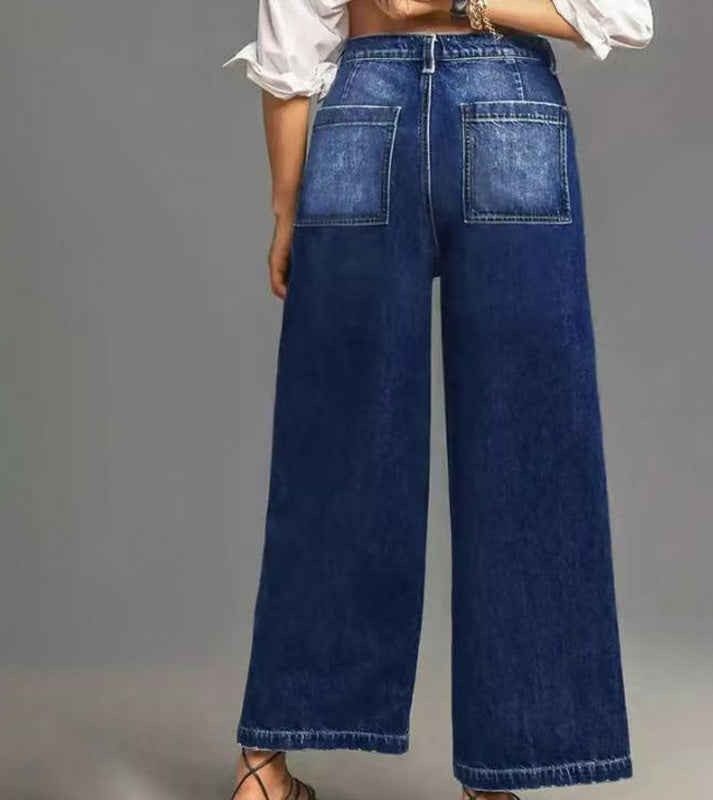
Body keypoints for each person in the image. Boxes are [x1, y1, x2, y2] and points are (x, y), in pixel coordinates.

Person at [223, 1, 653, 798]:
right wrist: (469, 7)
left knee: (333, 444)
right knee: (526, 441)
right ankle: (498, 775)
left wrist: (286, 206)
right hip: (508, 106)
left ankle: (263, 769)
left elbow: (290, 52)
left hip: (364, 114)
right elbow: (621, 13)